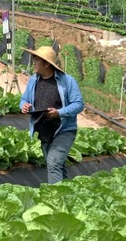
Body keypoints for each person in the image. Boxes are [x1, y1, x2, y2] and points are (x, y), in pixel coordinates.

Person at [19, 45, 84, 184]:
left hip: (63, 130)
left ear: (47, 64)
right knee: (56, 166)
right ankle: (70, 195)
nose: (33, 63)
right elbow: (24, 99)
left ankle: (55, 199)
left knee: (53, 163)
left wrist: (59, 113)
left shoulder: (67, 81)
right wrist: (23, 106)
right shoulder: (33, 80)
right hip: (44, 129)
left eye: (36, 60)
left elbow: (78, 104)